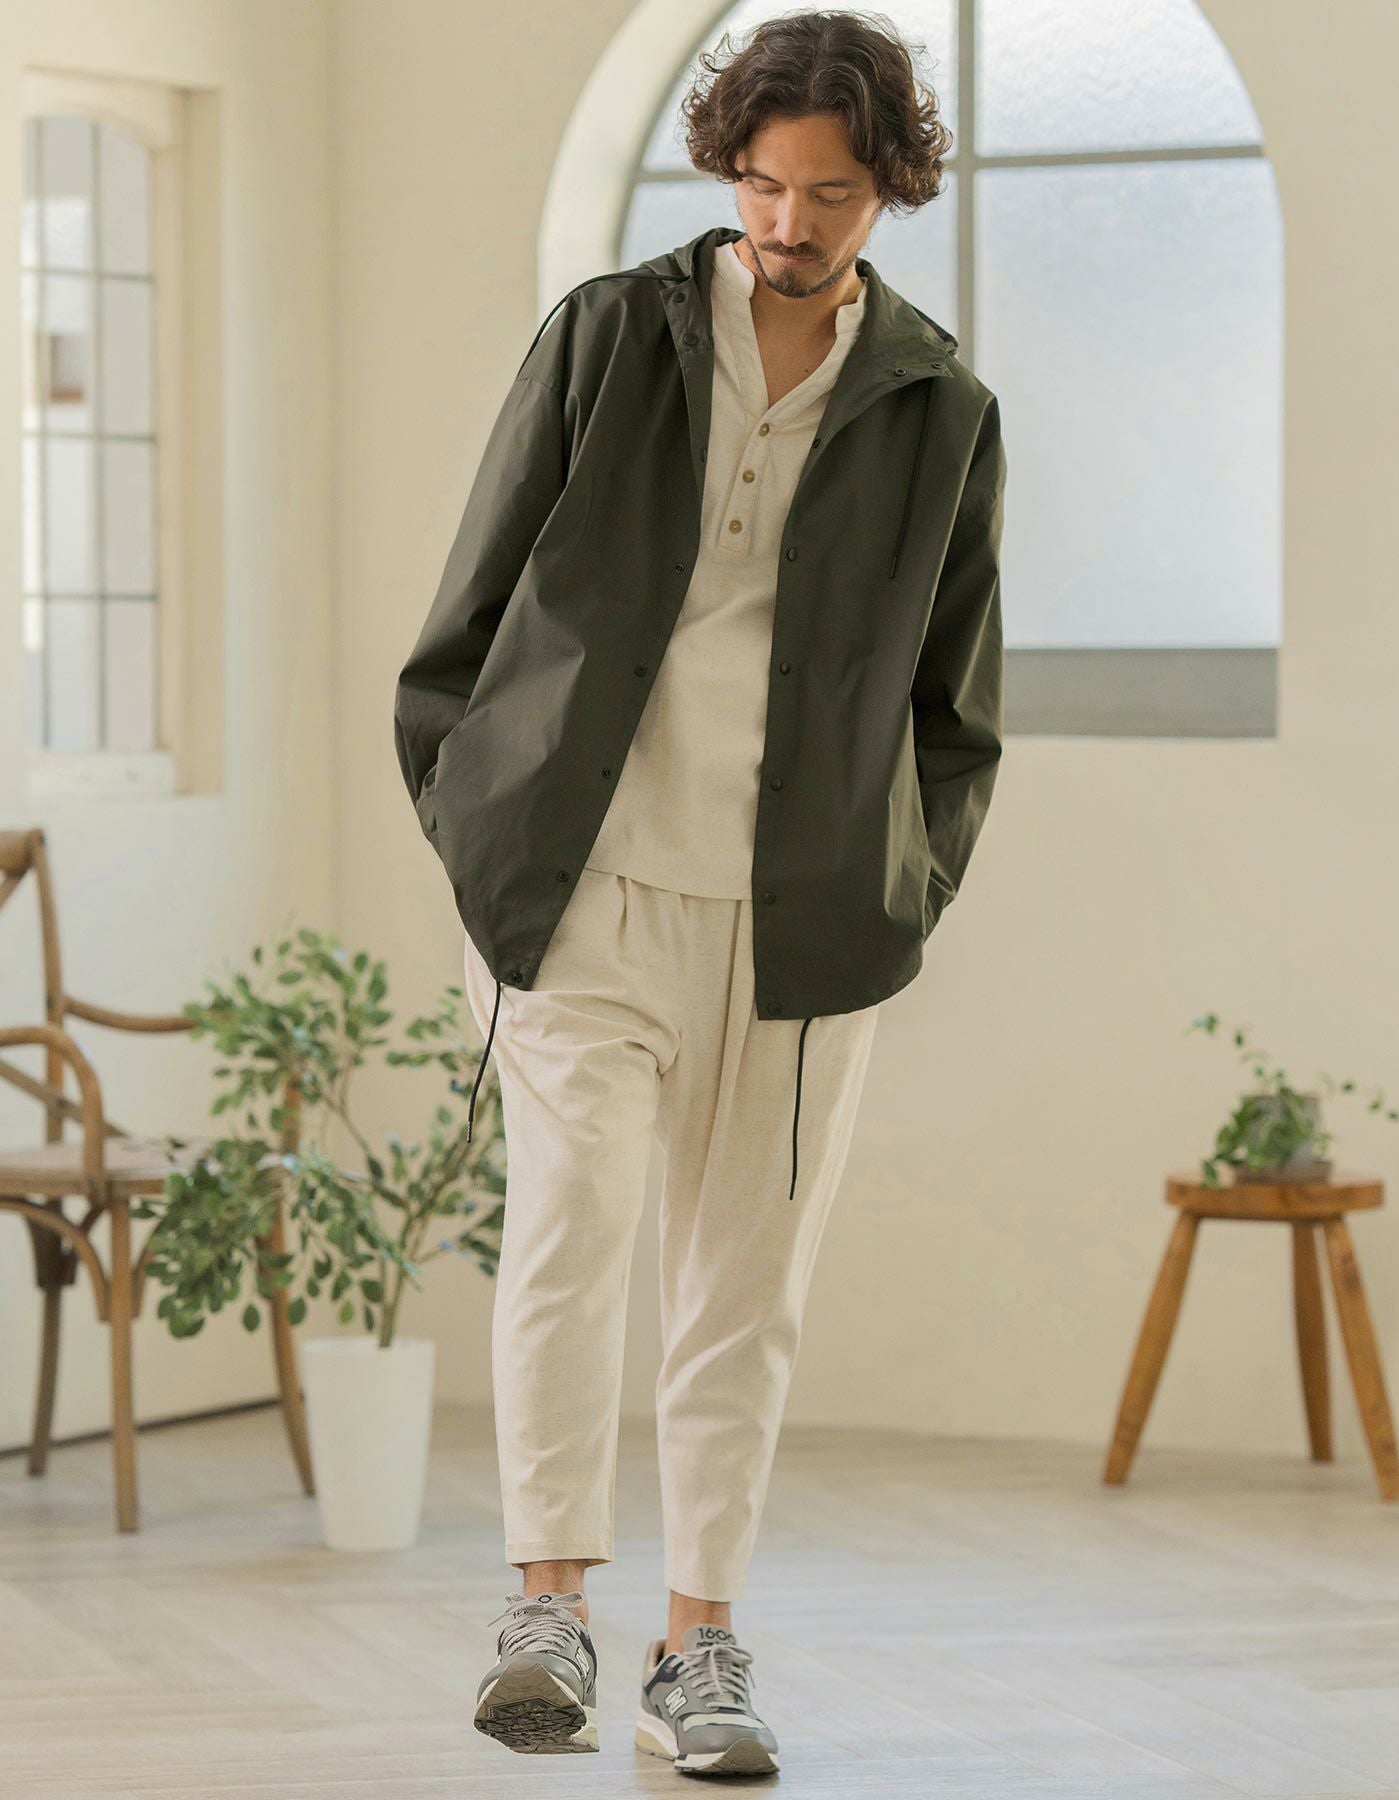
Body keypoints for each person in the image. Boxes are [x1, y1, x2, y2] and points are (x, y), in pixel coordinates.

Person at [393, 9, 1006, 1776]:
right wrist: (477, 827)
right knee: (571, 1231)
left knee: (746, 1289)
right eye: (764, 183)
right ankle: (549, 1610)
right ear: (730, 169)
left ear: (890, 191)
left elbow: (958, 706)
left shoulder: (940, 408)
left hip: (802, 921)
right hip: (574, 892)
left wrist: (900, 893)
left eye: (830, 194)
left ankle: (699, 1645)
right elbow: (466, 617)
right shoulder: (611, 337)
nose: (789, 223)